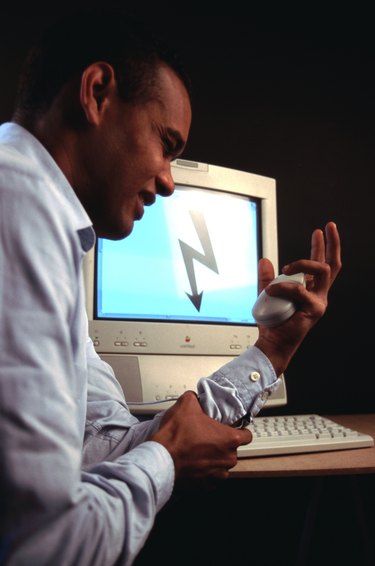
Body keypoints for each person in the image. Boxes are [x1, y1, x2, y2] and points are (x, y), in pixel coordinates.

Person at [0, 8, 341, 566]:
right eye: (166, 143)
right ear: (97, 92)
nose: (167, 181)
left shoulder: (40, 218)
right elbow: (45, 546)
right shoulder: (17, 205)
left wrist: (272, 351)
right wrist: (164, 461)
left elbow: (102, 449)